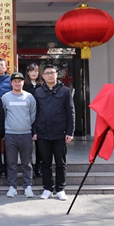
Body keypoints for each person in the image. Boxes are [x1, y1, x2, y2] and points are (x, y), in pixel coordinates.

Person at [33, 64, 75, 201]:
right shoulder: (38, 92)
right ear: (43, 76)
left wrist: (70, 131)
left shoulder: (65, 91)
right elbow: (34, 113)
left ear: (57, 74)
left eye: (52, 72)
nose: (50, 75)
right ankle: (47, 188)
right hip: (42, 132)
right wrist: (34, 131)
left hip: (60, 133)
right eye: (47, 73)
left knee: (60, 162)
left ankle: (60, 188)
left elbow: (70, 112)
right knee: (45, 162)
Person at [2, 72, 37, 198]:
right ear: (11, 83)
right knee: (11, 162)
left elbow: (33, 115)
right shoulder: (5, 97)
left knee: (26, 162)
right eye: (15, 81)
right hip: (10, 134)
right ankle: (12, 186)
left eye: (20, 81)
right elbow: (3, 114)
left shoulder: (29, 97)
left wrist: (26, 125)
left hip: (26, 134)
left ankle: (28, 186)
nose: (17, 83)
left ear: (23, 82)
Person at [23, 63, 42, 177]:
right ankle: (29, 168)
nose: (34, 73)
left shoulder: (42, 86)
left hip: (40, 118)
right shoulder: (24, 86)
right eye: (31, 71)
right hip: (27, 118)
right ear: (28, 73)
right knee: (28, 146)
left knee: (40, 146)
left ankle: (38, 167)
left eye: (36, 71)